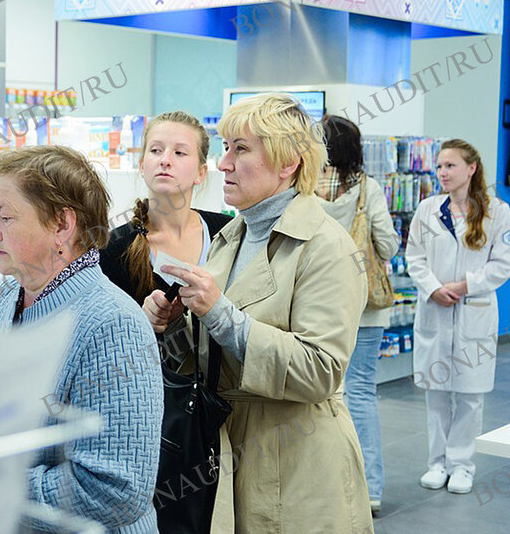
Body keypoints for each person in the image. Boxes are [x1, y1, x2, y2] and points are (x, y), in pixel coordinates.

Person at [143, 93, 373, 533]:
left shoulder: (327, 247)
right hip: (228, 451)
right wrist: (172, 326)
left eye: (241, 149)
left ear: (288, 163)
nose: (224, 163)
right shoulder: (232, 236)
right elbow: (212, 352)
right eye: (225, 147)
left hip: (297, 461)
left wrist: (220, 313)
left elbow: (321, 370)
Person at [0, 145, 162, 533]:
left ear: (62, 225)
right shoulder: (9, 295)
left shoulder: (114, 326)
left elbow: (114, 492)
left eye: (6, 217)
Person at [98, 110, 232, 532]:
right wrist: (142, 323)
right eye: (155, 151)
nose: (165, 160)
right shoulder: (115, 248)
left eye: (179, 152)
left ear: (202, 171)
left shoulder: (227, 234)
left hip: (223, 413)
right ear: (141, 164)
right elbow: (102, 347)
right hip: (153, 422)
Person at [406, 139, 510, 495]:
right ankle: (436, 463)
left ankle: (462, 465)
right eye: (439, 166)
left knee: (469, 396)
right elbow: (414, 257)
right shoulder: (427, 209)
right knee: (435, 394)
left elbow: (502, 265)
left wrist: (465, 286)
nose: (442, 172)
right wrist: (433, 288)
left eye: (450, 165)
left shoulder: (498, 212)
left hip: (473, 312)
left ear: (471, 168)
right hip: (435, 309)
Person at [315, 114, 399, 514]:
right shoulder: (369, 188)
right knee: (362, 392)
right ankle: (371, 490)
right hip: (365, 308)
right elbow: (388, 244)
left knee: (322, 397)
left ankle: (328, 487)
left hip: (319, 307)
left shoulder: (306, 187)